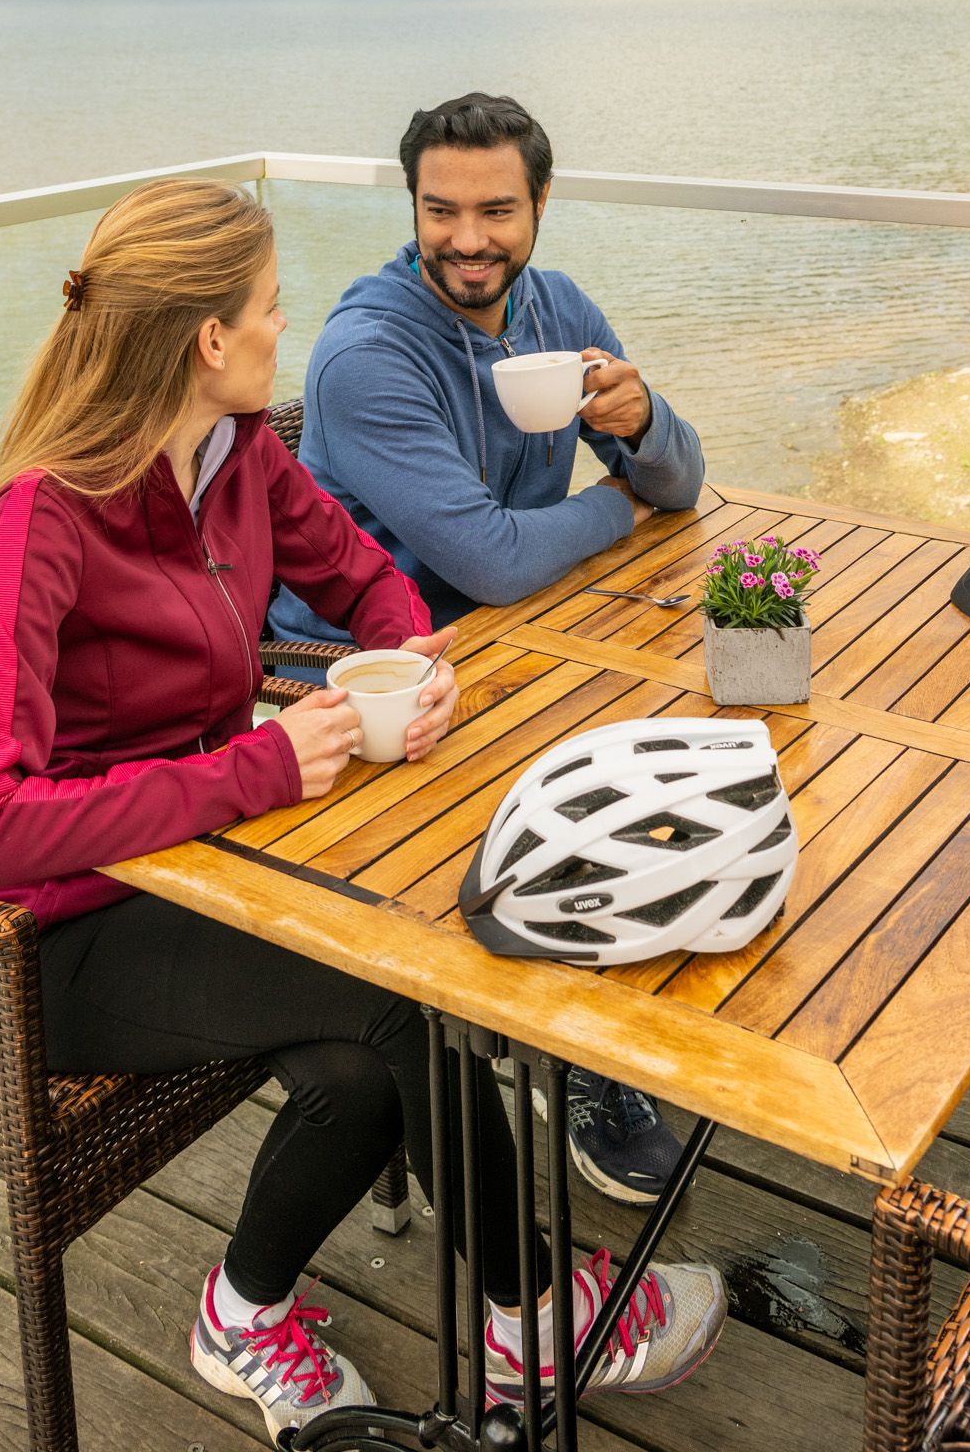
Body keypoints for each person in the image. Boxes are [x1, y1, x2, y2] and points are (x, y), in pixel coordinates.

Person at [0, 175, 724, 1441]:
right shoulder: (45, 519)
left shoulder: (238, 451)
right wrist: (256, 767)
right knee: (399, 991)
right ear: (208, 340)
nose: (282, 325)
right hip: (46, 936)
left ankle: (239, 1314)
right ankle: (535, 1319)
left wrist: (412, 658)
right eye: (268, 306)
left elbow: (360, 577)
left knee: (362, 1070)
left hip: (207, 864)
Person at [267, 93, 707, 1208]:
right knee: (598, 773)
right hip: (357, 677)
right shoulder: (368, 354)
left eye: (496, 210)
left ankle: (598, 1015)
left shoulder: (556, 308)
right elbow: (500, 558)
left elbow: (682, 484)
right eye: (441, 210)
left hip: (508, 639)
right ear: (413, 206)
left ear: (540, 202)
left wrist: (643, 424)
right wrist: (617, 506)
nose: (467, 239)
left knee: (677, 735)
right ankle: (576, 1048)